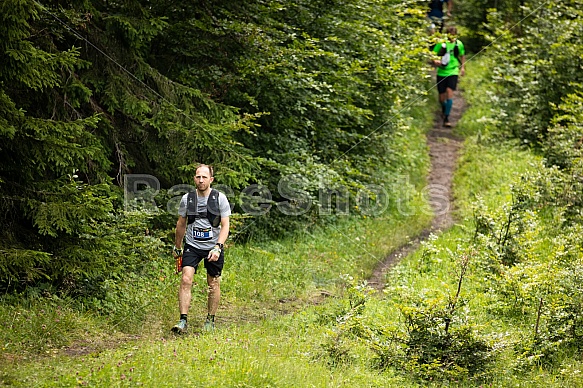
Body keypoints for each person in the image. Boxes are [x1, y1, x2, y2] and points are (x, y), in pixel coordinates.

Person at [171, 164, 231, 333]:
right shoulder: (187, 199)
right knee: (186, 278)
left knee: (213, 282)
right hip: (193, 245)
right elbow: (181, 224)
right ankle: (183, 320)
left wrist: (218, 247)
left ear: (211, 179)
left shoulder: (220, 198)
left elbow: (226, 226)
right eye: (198, 177)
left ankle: (210, 320)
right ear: (194, 179)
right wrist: (177, 247)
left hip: (213, 247)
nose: (201, 180)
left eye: (204, 177)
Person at [432, 26, 465, 127]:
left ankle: (447, 117)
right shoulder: (441, 44)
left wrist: (462, 68)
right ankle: (444, 109)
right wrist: (435, 60)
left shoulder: (458, 44)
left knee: (450, 92)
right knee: (441, 97)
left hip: (453, 71)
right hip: (441, 72)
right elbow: (433, 54)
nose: (452, 37)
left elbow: (462, 55)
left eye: (454, 35)